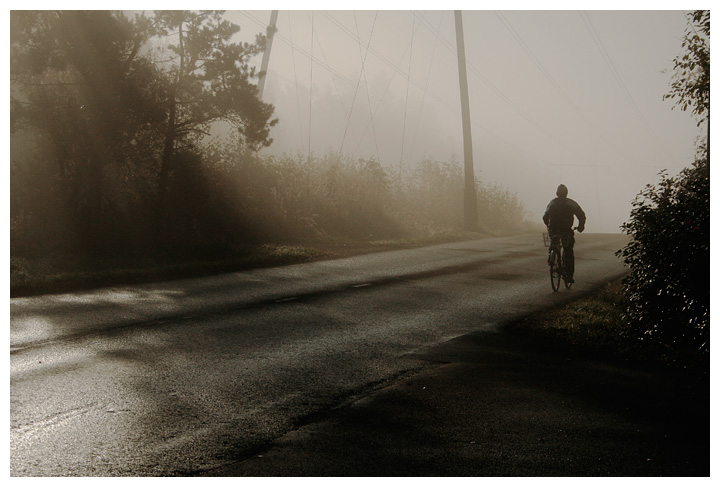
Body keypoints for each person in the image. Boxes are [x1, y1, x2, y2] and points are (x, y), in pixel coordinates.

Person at [543, 184, 586, 283]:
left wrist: (548, 226)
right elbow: (581, 215)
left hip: (553, 229)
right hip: (566, 230)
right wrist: (581, 226)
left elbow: (545, 217)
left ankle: (552, 253)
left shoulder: (552, 203)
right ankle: (569, 276)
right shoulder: (571, 203)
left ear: (557, 193)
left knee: (554, 241)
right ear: (566, 193)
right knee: (568, 250)